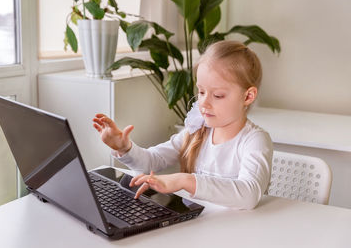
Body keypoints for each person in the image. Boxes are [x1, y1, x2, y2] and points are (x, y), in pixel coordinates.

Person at [92, 40, 273, 210]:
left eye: (217, 95)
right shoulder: (196, 130)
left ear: (248, 96)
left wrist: (185, 180)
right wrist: (125, 148)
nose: (204, 103)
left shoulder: (255, 140)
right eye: (201, 91)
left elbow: (249, 194)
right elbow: (151, 161)